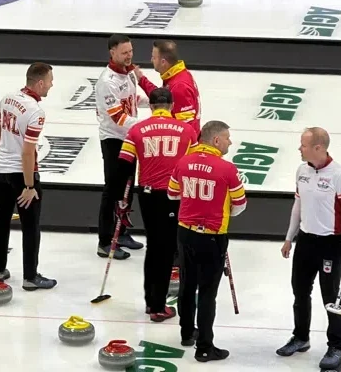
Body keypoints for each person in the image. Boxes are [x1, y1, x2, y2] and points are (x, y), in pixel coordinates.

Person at [276, 127, 341, 370]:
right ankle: (301, 337)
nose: (299, 149)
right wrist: (290, 237)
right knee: (299, 292)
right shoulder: (302, 171)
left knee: (330, 296)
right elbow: (297, 206)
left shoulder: (339, 175)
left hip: (330, 244)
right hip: (306, 241)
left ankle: (336, 345)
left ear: (318, 147)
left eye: (303, 145)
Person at [166, 120, 247, 363]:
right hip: (212, 236)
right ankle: (205, 347)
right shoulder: (227, 169)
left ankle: (186, 332)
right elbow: (240, 206)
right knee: (208, 293)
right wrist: (219, 211)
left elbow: (172, 193)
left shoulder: (183, 162)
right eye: (227, 137)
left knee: (187, 286)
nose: (230, 142)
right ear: (215, 140)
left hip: (185, 232)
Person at [118, 88, 197, 322]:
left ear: (151, 107)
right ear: (171, 106)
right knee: (169, 248)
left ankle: (150, 301)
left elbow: (124, 165)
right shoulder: (187, 131)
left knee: (153, 246)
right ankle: (159, 307)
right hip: (174, 195)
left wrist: (122, 199)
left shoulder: (136, 130)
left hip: (147, 194)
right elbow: (192, 165)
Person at [0, 62, 57, 291]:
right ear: (39, 83)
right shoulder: (35, 111)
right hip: (21, 174)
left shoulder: (7, 99)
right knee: (30, 225)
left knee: (1, 220)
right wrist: (29, 186)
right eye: (49, 80)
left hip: (0, 169)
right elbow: (28, 152)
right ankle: (30, 276)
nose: (51, 84)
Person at [94, 33, 144, 260]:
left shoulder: (129, 73)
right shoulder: (107, 82)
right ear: (112, 52)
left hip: (130, 139)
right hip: (114, 140)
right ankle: (104, 241)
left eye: (131, 51)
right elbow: (118, 118)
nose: (129, 56)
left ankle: (121, 231)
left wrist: (156, 102)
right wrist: (148, 125)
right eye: (124, 52)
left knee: (127, 187)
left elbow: (134, 101)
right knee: (112, 190)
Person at [134, 39, 202, 135]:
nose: (151, 60)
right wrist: (142, 80)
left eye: (154, 57)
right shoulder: (176, 75)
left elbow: (187, 128)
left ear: (163, 62)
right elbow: (161, 97)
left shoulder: (179, 86)